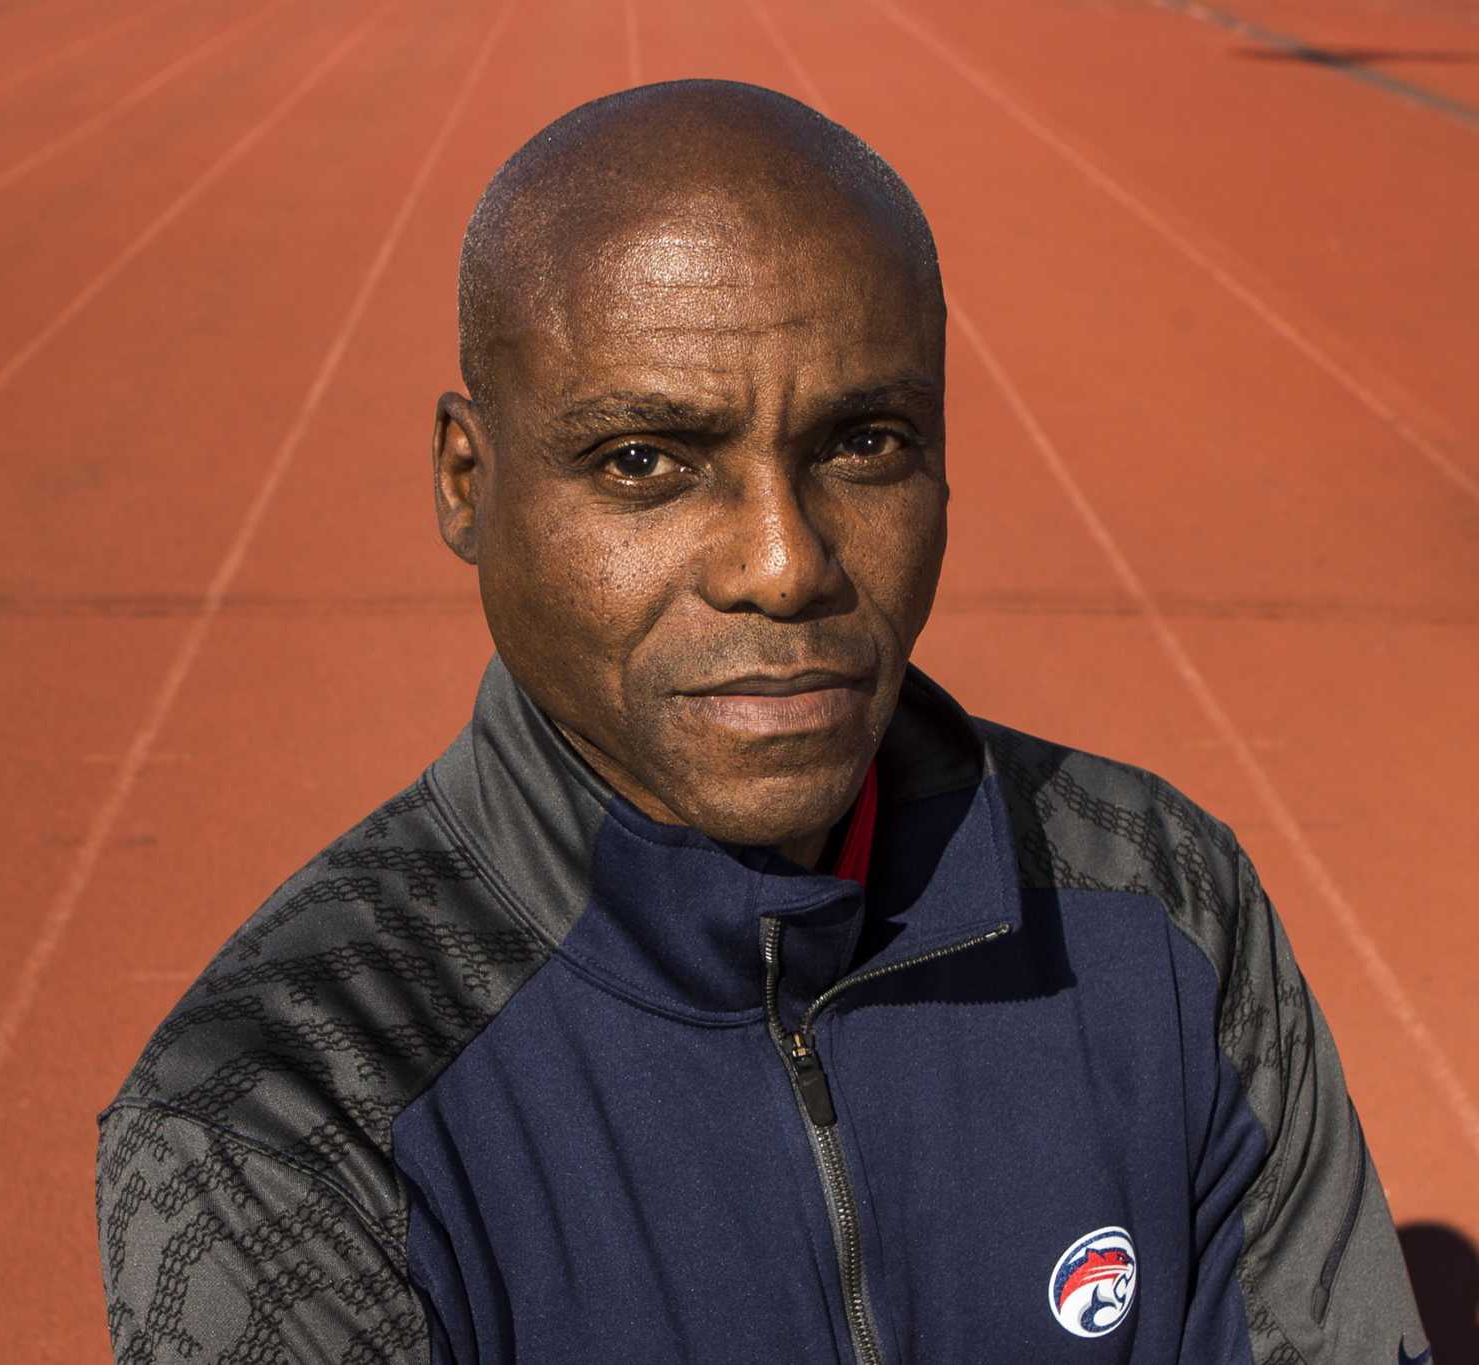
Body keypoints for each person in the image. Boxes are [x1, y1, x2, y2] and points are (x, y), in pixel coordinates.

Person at [95, 80, 1427, 1364]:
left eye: (865, 443)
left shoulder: (1165, 911)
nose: (784, 563)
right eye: (645, 460)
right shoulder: (285, 1100)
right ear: (466, 481)